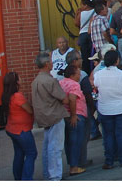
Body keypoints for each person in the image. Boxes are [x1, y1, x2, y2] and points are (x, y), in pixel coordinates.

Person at [31, 51, 69, 180]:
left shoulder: (35, 81)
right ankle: (55, 176)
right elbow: (64, 99)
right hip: (54, 116)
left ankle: (49, 174)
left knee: (47, 147)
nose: (52, 63)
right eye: (51, 62)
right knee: (55, 148)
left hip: (44, 116)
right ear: (47, 64)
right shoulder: (50, 80)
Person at [93, 50, 122, 169]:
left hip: (105, 108)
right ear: (117, 60)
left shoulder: (98, 75)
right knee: (121, 134)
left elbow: (96, 88)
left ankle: (109, 160)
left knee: (108, 135)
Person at [2, 72, 37, 180]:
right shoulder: (18, 96)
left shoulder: (7, 95)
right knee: (31, 153)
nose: (21, 79)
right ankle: (26, 180)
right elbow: (30, 110)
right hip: (22, 130)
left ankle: (18, 179)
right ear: (16, 82)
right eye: (19, 77)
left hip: (12, 129)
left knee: (19, 153)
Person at [59, 64, 88, 176]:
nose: (79, 76)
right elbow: (72, 98)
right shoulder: (74, 85)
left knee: (69, 142)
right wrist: (74, 115)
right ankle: (74, 167)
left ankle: (72, 163)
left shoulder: (61, 83)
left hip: (64, 116)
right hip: (76, 116)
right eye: (78, 74)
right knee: (76, 141)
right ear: (72, 75)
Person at [75, 0, 96, 73]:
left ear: (86, 5)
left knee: (85, 55)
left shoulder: (81, 13)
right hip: (91, 34)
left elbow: (76, 23)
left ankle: (86, 71)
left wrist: (76, 14)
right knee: (92, 54)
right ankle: (93, 70)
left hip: (83, 35)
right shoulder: (95, 12)